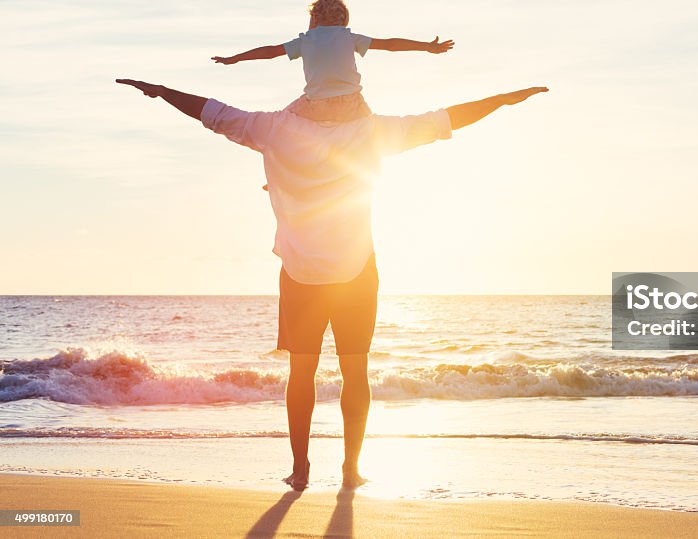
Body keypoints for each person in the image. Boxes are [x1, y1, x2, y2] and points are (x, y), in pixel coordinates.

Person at [115, 77, 547, 490]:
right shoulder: (370, 130)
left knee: (308, 372)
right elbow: (443, 120)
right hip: (354, 271)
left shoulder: (273, 127)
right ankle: (345, 470)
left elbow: (211, 112)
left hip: (306, 272)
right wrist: (503, 99)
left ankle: (306, 468)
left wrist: (161, 92)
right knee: (349, 371)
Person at [210, 0, 454, 123]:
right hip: (352, 103)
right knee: (370, 137)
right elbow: (390, 45)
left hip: (315, 105)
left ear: (313, 19)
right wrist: (426, 47)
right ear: (344, 21)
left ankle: (280, 167)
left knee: (282, 125)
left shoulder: (305, 40)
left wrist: (235, 59)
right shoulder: (349, 37)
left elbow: (269, 51)